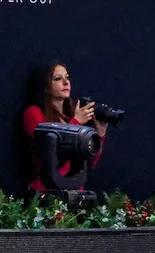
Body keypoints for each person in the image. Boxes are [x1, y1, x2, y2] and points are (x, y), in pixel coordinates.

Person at [21, 62, 106, 192]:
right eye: (58, 79)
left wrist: (100, 134)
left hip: (75, 191)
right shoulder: (34, 113)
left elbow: (90, 163)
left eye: (67, 77)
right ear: (45, 87)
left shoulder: (69, 115)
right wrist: (77, 122)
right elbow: (49, 153)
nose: (66, 82)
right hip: (47, 190)